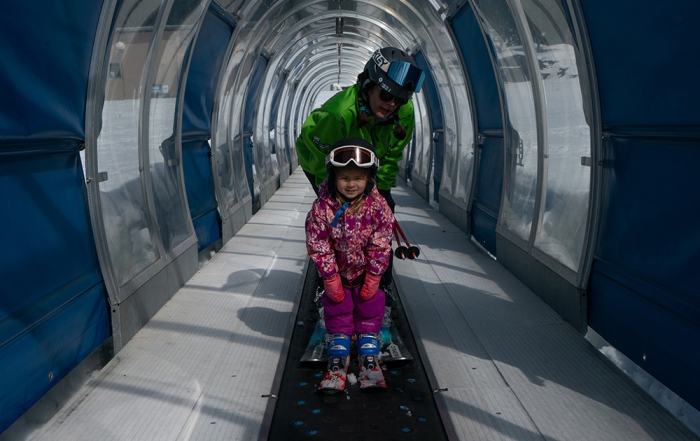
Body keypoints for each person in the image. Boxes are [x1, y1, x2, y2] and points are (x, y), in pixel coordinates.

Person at [297, 46, 425, 292]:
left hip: (368, 166)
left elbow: (391, 155)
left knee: (379, 222)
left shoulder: (404, 113)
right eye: (386, 95)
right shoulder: (338, 115)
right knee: (336, 224)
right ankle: (330, 287)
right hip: (325, 165)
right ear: (368, 86)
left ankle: (378, 289)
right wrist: (339, 196)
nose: (391, 104)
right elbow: (324, 159)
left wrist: (382, 191)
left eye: (399, 99)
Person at [305, 138, 394, 392]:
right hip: (338, 272)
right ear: (334, 177)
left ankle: (368, 344)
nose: (351, 184)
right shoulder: (322, 208)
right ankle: (339, 346)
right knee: (337, 307)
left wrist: (375, 275)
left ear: (368, 179)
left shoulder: (377, 206)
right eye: (345, 178)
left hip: (366, 271)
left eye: (358, 178)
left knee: (370, 304)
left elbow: (381, 242)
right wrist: (330, 277)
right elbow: (318, 242)